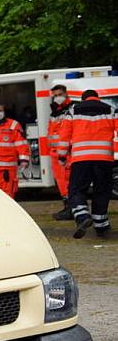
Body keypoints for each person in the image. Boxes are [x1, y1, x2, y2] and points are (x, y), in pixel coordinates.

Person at [61, 89, 117, 239]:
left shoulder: (73, 111)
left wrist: (61, 155)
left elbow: (64, 135)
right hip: (104, 158)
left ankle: (82, 216)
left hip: (81, 159)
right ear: (97, 98)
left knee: (76, 190)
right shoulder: (111, 110)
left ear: (82, 99)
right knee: (102, 191)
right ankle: (101, 226)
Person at [47, 84, 75, 220]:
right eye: (55, 96)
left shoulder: (71, 110)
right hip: (55, 153)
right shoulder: (55, 112)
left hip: (66, 152)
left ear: (66, 94)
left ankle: (72, 209)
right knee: (61, 182)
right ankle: (67, 207)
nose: (57, 98)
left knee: (68, 181)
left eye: (59, 95)